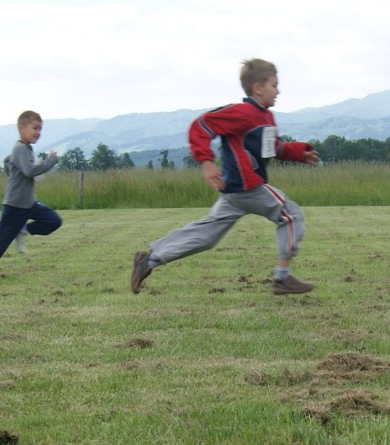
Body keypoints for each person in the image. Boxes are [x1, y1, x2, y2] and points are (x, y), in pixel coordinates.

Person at [130, 58, 321, 296]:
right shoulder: (243, 112)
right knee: (290, 214)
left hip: (233, 191)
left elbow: (272, 148)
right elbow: (200, 126)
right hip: (248, 187)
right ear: (258, 88)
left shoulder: (266, 117)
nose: (278, 91)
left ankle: (149, 260)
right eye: (274, 85)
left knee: (207, 235)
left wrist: (299, 152)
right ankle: (282, 278)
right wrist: (206, 162)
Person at [0, 111, 63, 279]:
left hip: (29, 203)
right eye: (35, 128)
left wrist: (15, 175)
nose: (38, 132)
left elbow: (7, 160)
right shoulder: (19, 148)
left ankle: (23, 229)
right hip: (15, 205)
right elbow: (30, 171)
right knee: (2, 241)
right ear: (22, 128)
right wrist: (51, 160)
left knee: (53, 221)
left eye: (40, 129)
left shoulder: (27, 149)